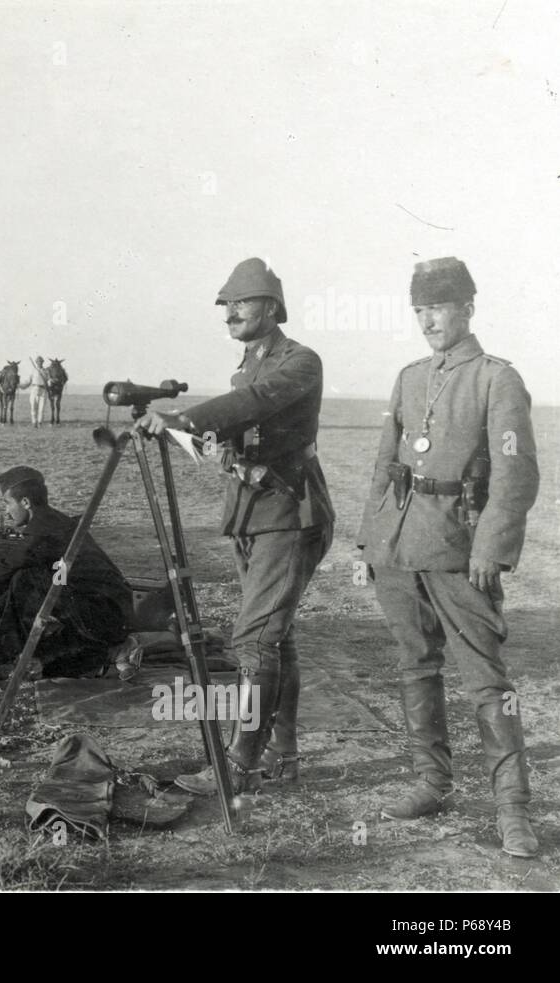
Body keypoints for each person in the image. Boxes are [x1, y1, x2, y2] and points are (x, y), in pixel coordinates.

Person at [357, 257, 540, 858]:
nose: (426, 320)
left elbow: (515, 476)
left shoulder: (496, 378)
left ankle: (513, 810)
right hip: (401, 548)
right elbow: (387, 466)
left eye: (436, 308)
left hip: (461, 550)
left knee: (487, 680)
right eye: (418, 310)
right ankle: (432, 783)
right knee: (415, 667)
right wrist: (370, 543)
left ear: (466, 307)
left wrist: (492, 547)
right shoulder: (410, 377)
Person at [136, 257, 334, 794]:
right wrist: (201, 440)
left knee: (253, 640)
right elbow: (241, 421)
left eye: (241, 303)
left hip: (291, 514)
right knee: (277, 637)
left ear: (271, 307)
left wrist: (188, 418)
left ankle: (240, 765)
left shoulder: (299, 362)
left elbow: (256, 401)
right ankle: (283, 754)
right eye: (225, 306)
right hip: (251, 512)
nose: (230, 313)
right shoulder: (243, 368)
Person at [0, 466, 133, 677]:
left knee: (25, 579)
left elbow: (2, 572)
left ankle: (14, 652)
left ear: (26, 502)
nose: (6, 512)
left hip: (105, 616)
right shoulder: (55, 520)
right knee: (27, 579)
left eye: (8, 503)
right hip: (113, 611)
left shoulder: (41, 533)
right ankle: (83, 654)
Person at [24, 356, 51, 428]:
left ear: (43, 362)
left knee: (41, 408)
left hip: (43, 390)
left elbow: (49, 381)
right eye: (38, 362)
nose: (39, 363)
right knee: (33, 407)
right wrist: (21, 385)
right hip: (34, 389)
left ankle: (40, 422)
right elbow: (28, 381)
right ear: (36, 362)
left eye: (41, 361)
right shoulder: (33, 371)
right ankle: (34, 422)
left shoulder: (46, 371)